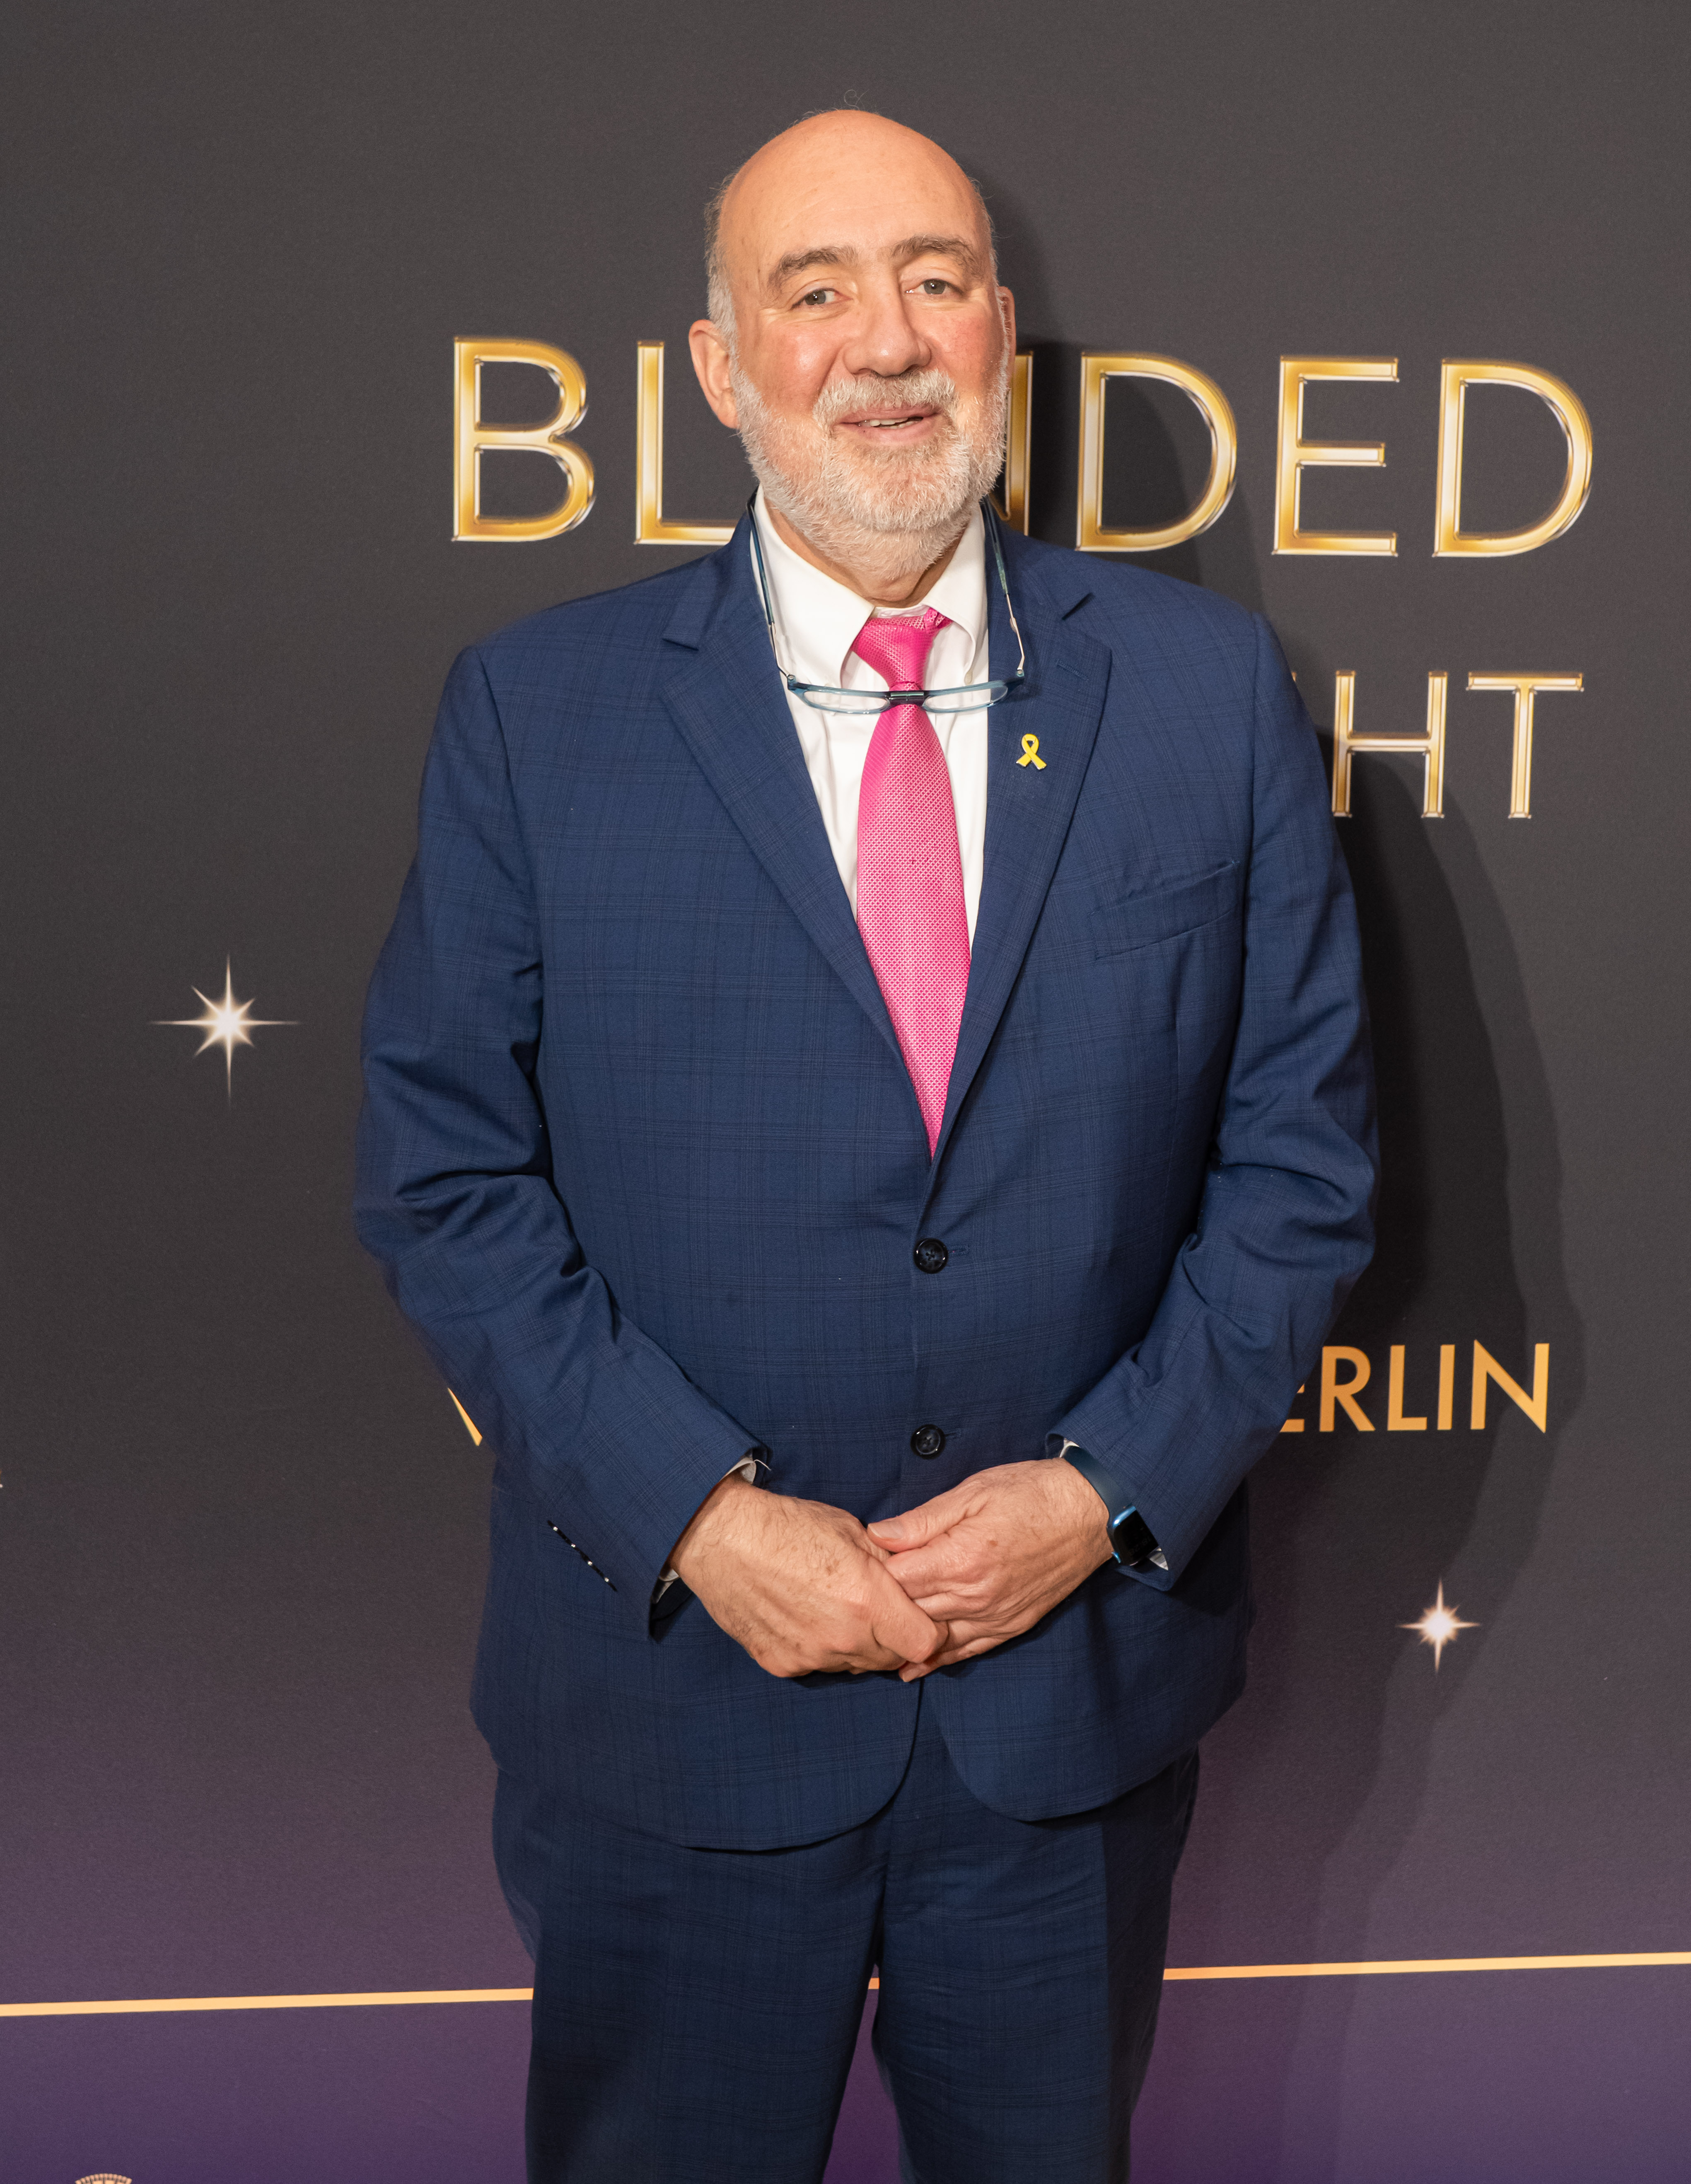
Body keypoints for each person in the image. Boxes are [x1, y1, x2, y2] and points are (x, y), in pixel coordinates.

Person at [355, 109, 1375, 2183]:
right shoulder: (537, 716)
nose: (887, 339)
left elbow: (1300, 1169)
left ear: (1001, 330)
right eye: (813, 290)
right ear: (723, 368)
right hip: (674, 1702)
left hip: (1063, 1709)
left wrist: (1095, 1495)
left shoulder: (1205, 692)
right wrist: (702, 1519)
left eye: (935, 278)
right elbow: (446, 1181)